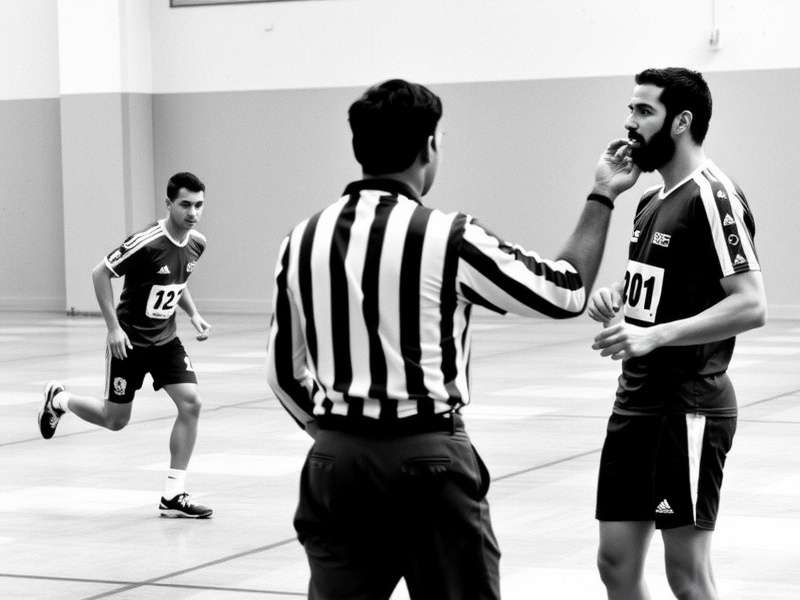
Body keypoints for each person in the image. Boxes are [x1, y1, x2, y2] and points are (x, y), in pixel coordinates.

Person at [266, 78, 639, 599]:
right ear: (429, 148)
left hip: (334, 465)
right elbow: (566, 292)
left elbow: (283, 373)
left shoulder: (300, 240)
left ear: (358, 148)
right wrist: (603, 192)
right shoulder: (448, 236)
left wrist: (339, 439)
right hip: (429, 463)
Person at [588, 68, 767, 600]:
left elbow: (751, 303)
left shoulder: (713, 197)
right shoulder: (648, 201)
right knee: (615, 563)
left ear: (681, 121)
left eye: (644, 111)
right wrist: (617, 295)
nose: (630, 122)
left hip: (688, 406)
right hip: (635, 403)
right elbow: (662, 282)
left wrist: (656, 336)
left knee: (686, 575)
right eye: (631, 109)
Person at [38, 171, 214, 519]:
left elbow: (178, 280)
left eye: (199, 205)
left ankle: (173, 495)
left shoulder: (197, 243)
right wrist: (113, 329)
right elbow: (99, 272)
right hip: (129, 343)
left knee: (192, 404)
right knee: (115, 420)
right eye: (185, 205)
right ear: (168, 203)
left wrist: (193, 314)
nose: (192, 213)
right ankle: (59, 399)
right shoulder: (145, 242)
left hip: (166, 341)